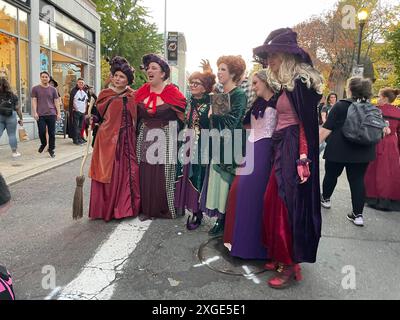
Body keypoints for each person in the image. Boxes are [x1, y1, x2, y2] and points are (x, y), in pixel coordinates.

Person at [254, 28, 324, 288]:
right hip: (283, 146)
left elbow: (307, 125)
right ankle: (279, 253)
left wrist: (303, 156)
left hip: (294, 148)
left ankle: (289, 263)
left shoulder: (301, 85)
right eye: (268, 56)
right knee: (274, 199)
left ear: (285, 56)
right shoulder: (288, 84)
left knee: (287, 203)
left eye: (273, 56)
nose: (269, 61)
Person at [223, 69, 279, 259]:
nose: (253, 87)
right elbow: (245, 124)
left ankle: (253, 248)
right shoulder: (258, 102)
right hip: (252, 148)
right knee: (239, 192)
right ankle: (240, 243)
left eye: (256, 83)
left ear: (266, 81)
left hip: (265, 150)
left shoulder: (279, 102)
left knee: (251, 195)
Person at [320, 77, 386, 226]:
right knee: (357, 181)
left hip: (338, 150)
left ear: (349, 89)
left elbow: (326, 129)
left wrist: (311, 148)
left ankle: (326, 199)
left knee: (331, 175)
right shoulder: (371, 108)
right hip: (363, 151)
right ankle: (358, 215)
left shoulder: (340, 106)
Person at [199, 55, 248, 236]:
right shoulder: (221, 95)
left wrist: (214, 114)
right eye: (218, 69)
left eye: (223, 69)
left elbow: (232, 123)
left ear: (233, 73)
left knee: (226, 183)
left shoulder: (239, 94)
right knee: (218, 184)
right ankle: (221, 219)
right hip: (217, 145)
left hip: (231, 146)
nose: (219, 72)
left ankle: (226, 221)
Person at [88, 57, 140, 221]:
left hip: (126, 140)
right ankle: (105, 209)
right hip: (106, 139)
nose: (118, 79)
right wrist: (91, 119)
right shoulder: (104, 94)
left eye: (122, 77)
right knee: (106, 173)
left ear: (128, 80)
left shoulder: (133, 96)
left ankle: (124, 208)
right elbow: (98, 116)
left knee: (126, 174)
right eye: (116, 75)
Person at [135, 54, 186, 220]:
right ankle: (146, 208)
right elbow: (130, 115)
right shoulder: (141, 92)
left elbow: (184, 117)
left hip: (166, 135)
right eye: (148, 68)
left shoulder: (173, 93)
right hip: (145, 136)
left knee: (163, 174)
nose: (149, 70)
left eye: (154, 68)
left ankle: (163, 208)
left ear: (163, 73)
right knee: (145, 171)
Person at [175, 67, 216, 230]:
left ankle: (198, 212)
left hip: (204, 145)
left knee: (198, 178)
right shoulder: (189, 102)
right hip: (189, 144)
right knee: (187, 175)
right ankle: (190, 207)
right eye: (191, 83)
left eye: (196, 83)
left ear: (205, 87)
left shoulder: (211, 102)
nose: (192, 85)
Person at [364, 88, 400, 211]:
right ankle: (390, 199)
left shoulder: (376, 110)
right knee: (391, 171)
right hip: (393, 144)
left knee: (374, 170)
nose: (377, 98)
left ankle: (373, 198)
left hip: (378, 141)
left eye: (379, 96)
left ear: (385, 98)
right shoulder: (398, 112)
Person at [31, 71, 61, 158]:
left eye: (46, 77)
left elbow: (56, 102)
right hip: (40, 114)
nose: (44, 78)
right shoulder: (35, 89)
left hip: (51, 114)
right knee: (42, 131)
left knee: (52, 133)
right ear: (40, 78)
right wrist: (35, 112)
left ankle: (51, 149)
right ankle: (43, 144)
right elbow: (34, 101)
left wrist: (58, 113)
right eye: (43, 77)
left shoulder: (53, 90)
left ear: (49, 78)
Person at [0, 78, 23, 158]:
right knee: (12, 135)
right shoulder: (13, 95)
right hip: (11, 115)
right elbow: (17, 108)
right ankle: (14, 152)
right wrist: (21, 118)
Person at [69, 78, 88, 145]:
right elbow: (72, 101)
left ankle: (80, 138)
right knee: (75, 126)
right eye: (80, 82)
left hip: (83, 111)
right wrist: (75, 108)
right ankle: (75, 139)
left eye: (82, 83)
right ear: (77, 83)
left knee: (80, 126)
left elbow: (86, 101)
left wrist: (85, 109)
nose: (81, 84)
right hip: (76, 111)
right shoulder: (74, 91)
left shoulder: (84, 91)